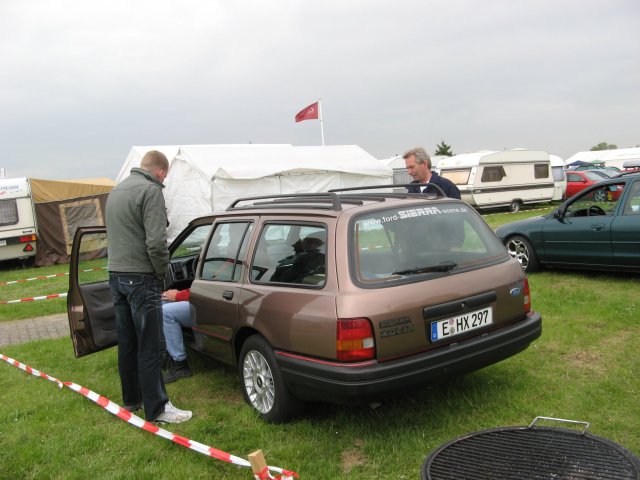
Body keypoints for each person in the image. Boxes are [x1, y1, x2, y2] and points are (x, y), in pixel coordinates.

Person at [105, 150, 192, 424]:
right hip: (140, 277)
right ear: (161, 172)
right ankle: (158, 408)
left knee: (127, 342)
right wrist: (159, 273)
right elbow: (156, 242)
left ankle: (132, 401)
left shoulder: (116, 192)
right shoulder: (151, 190)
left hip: (116, 275)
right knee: (151, 345)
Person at [161, 288, 194, 383]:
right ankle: (167, 356)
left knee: (165, 312)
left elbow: (203, 290)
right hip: (200, 297)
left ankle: (180, 366)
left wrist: (178, 295)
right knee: (163, 302)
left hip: (207, 304)